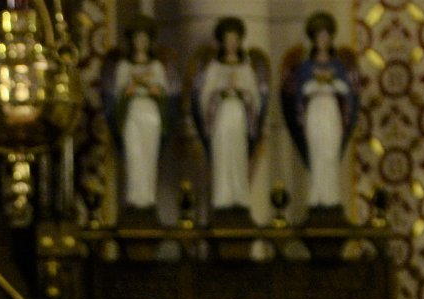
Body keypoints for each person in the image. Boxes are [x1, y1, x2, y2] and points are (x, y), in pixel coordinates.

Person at [280, 11, 360, 211]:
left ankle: (331, 196)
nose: (323, 40)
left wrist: (332, 83)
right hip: (315, 111)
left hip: (331, 111)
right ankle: (316, 196)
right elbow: (300, 92)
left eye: (326, 36)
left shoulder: (338, 65)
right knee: (317, 152)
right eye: (319, 37)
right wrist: (316, 84)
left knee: (330, 152)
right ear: (314, 40)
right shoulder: (306, 66)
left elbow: (347, 91)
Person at [192, 18, 268, 214]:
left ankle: (239, 196)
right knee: (222, 155)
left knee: (238, 155)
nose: (231, 44)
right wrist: (220, 93)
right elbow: (204, 97)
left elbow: (256, 98)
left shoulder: (245, 68)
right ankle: (222, 198)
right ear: (222, 42)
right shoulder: (214, 68)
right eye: (228, 39)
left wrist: (243, 94)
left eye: (235, 39)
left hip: (238, 118)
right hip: (221, 118)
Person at [102, 16, 176, 215]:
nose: (140, 43)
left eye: (144, 39)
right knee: (134, 156)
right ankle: (134, 198)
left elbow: (164, 94)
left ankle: (148, 198)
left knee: (149, 157)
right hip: (132, 115)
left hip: (150, 116)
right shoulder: (124, 67)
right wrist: (132, 86)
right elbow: (118, 95)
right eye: (137, 39)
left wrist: (151, 87)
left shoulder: (157, 67)